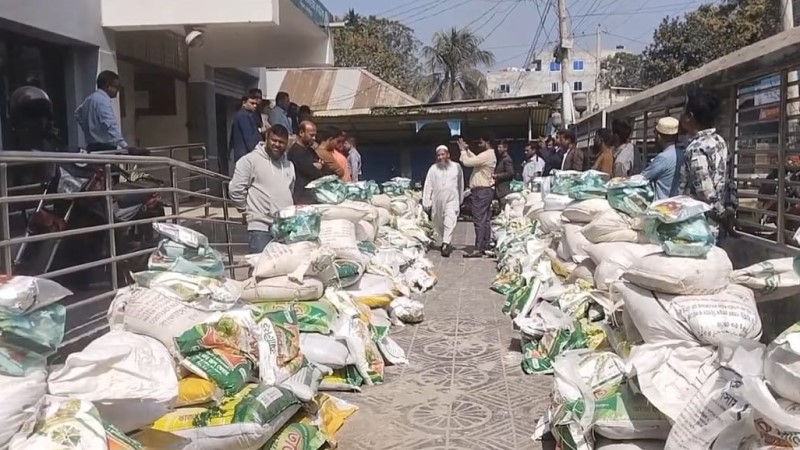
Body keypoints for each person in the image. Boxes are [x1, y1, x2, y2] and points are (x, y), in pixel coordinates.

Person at [229, 124, 295, 254]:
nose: (277, 144)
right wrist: (245, 211)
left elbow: (290, 190)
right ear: (266, 138)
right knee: (261, 264)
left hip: (285, 228)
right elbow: (236, 189)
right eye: (274, 140)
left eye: (281, 142)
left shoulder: (289, 165)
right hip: (261, 228)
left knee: (283, 265)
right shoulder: (249, 161)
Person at [679, 87, 731, 227]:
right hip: (715, 222)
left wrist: (720, 214)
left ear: (690, 116)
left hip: (699, 223)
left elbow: (704, 191)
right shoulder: (719, 140)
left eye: (683, 111)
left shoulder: (696, 148)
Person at [458, 134, 496, 258]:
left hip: (481, 192)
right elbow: (475, 160)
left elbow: (468, 162)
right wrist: (467, 150)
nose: (479, 145)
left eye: (481, 142)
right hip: (485, 191)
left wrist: (463, 151)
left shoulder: (487, 155)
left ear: (487, 142)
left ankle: (478, 248)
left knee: (479, 220)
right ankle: (485, 245)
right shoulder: (489, 155)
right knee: (485, 220)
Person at [423, 145, 464, 257]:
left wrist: (460, 199)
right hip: (437, 201)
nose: (440, 157)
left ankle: (445, 244)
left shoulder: (456, 167)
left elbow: (460, 184)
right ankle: (446, 240)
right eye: (438, 155)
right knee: (438, 221)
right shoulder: (433, 169)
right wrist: (426, 201)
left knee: (449, 220)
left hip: (452, 199)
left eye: (443, 154)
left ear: (448, 154)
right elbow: (428, 185)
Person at [74, 70, 128, 151]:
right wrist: (124, 145)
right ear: (107, 86)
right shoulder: (103, 102)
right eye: (116, 87)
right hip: (106, 147)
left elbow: (77, 114)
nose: (117, 90)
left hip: (91, 146)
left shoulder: (89, 99)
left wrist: (88, 128)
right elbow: (110, 125)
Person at [641, 117, 683, 200]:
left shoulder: (663, 157)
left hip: (662, 204)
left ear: (659, 136)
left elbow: (642, 178)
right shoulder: (681, 153)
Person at [288, 121, 329, 204]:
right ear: (301, 133)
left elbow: (325, 168)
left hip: (313, 195)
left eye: (315, 135)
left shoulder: (310, 151)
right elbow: (312, 172)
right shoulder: (296, 152)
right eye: (311, 135)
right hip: (301, 197)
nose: (314, 138)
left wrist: (320, 166)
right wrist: (316, 167)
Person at [229, 94, 262, 167]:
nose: (255, 106)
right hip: (246, 155)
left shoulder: (246, 115)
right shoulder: (243, 116)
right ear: (244, 103)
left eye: (256, 104)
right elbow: (249, 138)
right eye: (252, 103)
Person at [493, 140, 515, 205]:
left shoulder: (507, 159)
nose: (498, 149)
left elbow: (510, 173)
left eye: (500, 147)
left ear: (505, 148)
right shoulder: (501, 159)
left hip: (504, 189)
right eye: (498, 147)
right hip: (499, 189)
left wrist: (497, 176)